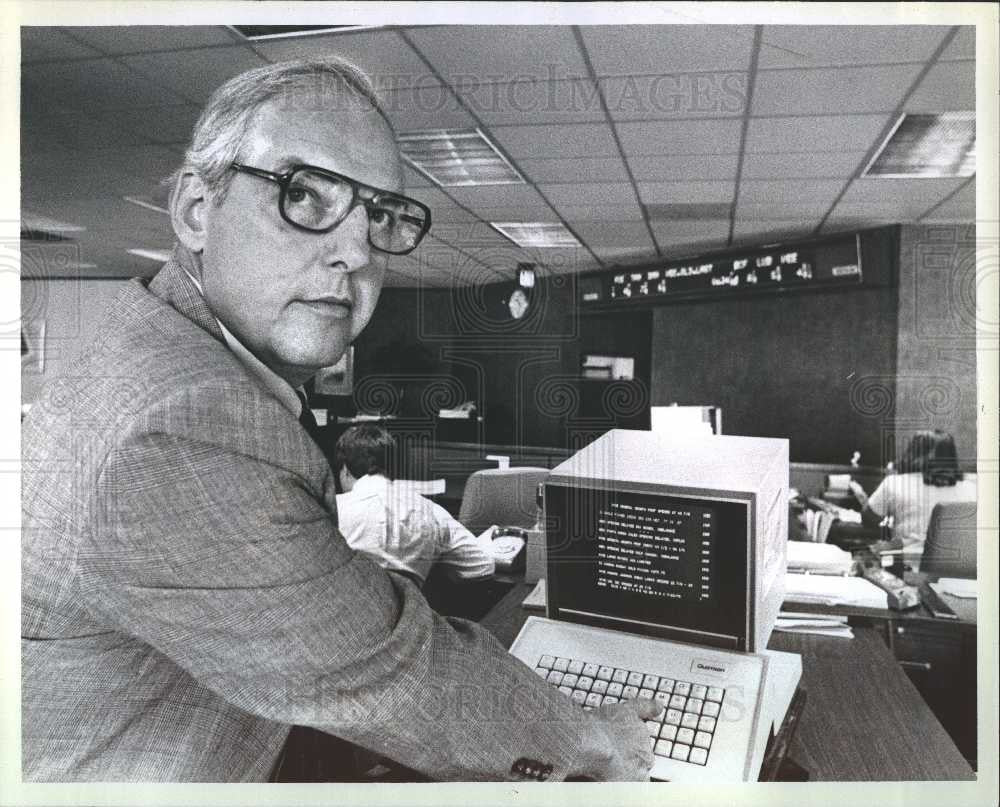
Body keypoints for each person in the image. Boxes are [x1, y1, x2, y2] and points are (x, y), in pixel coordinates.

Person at [21, 57, 657, 782]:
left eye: (378, 214)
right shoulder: (186, 420)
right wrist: (592, 740)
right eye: (305, 195)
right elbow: (387, 668)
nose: (356, 250)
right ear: (197, 211)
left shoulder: (160, 358)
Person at [334, 424, 494, 585]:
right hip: (411, 608)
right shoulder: (433, 511)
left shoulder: (332, 511)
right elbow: (482, 566)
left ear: (345, 470)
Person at [849, 430, 977, 556]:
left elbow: (868, 518)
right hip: (958, 564)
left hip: (907, 562)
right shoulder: (971, 489)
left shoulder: (895, 483)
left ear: (912, 453)